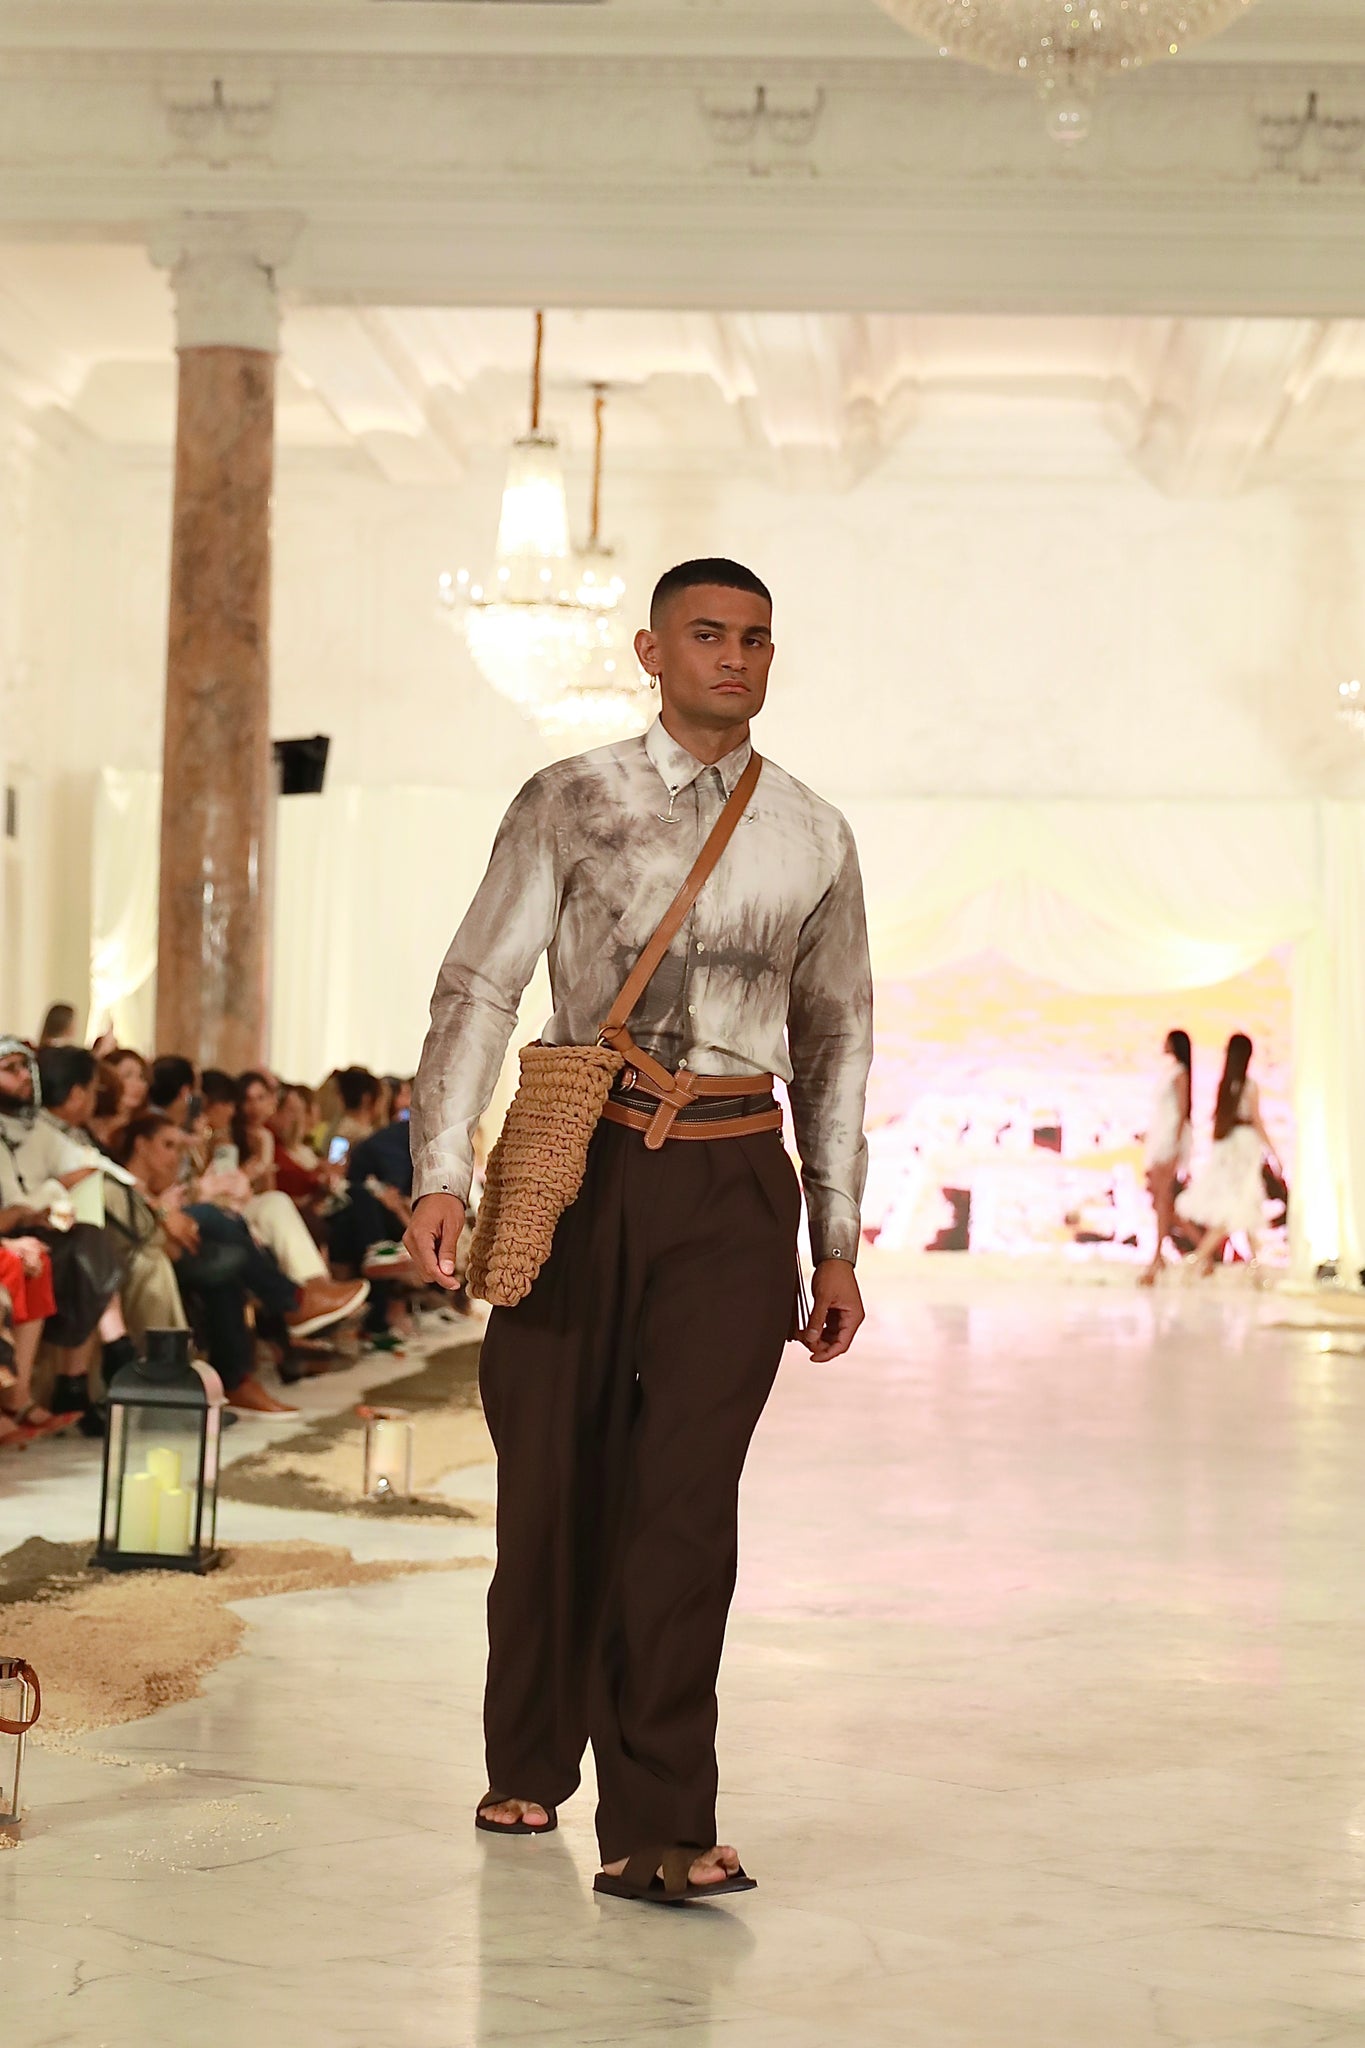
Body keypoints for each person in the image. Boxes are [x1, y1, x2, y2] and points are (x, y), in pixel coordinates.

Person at [406, 557, 872, 1904]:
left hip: (735, 1183)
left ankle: (660, 1820)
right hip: (580, 1166)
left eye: (757, 639)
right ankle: (526, 1756)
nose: (736, 657)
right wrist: (442, 1168)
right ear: (650, 651)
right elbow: (481, 983)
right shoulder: (570, 798)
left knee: (684, 1502)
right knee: (550, 1473)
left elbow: (839, 1037)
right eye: (708, 634)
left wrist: (837, 1238)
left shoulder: (813, 832)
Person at [1176, 1032, 1282, 1278]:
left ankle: (1255, 1268)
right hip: (1245, 1146)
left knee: (1243, 1206)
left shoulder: (1225, 1086)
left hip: (1228, 1147)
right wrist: (1274, 1152)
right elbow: (1257, 1121)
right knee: (1239, 1206)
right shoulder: (1249, 1086)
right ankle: (1199, 1260)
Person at [1139, 1029, 1193, 1288]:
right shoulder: (1170, 1072)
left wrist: (1175, 1145)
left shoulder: (1180, 1073)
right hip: (1161, 1136)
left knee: (1162, 1197)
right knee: (1162, 1200)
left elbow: (1182, 1111)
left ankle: (1158, 1255)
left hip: (1169, 1139)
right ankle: (1197, 1248)